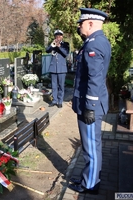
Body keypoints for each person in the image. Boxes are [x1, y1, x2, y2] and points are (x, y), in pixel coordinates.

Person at [69, 8, 111, 194]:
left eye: (82, 24)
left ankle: (91, 184)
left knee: (91, 148)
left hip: (90, 105)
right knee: (90, 146)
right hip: (90, 103)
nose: (79, 27)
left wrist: (90, 107)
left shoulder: (93, 44)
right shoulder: (97, 41)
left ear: (91, 23)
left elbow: (94, 78)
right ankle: (89, 177)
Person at [46, 29, 69, 108]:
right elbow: (47, 50)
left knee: (61, 86)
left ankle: (60, 101)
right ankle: (54, 100)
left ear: (62, 37)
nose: (58, 38)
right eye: (56, 36)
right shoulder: (53, 44)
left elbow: (65, 53)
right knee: (54, 86)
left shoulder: (65, 44)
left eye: (59, 36)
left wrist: (59, 47)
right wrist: (52, 46)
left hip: (62, 69)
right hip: (53, 68)